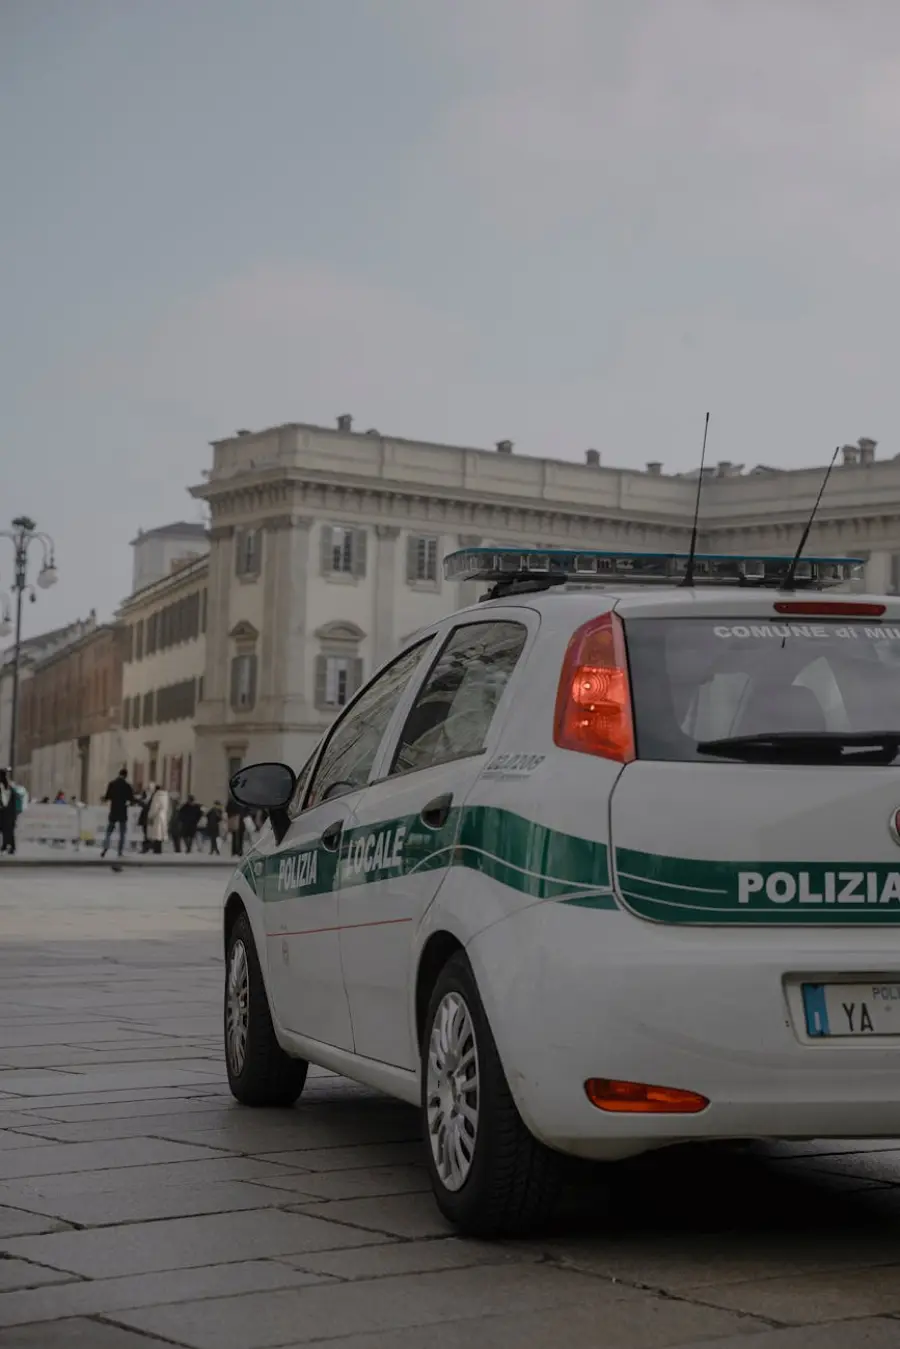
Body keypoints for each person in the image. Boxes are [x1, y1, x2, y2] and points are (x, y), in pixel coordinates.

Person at [100, 767, 134, 859]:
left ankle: (105, 848)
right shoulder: (127, 786)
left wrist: (103, 798)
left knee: (109, 831)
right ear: (126, 775)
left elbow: (107, 797)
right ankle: (120, 851)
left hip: (113, 810)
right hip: (122, 811)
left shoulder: (112, 784)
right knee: (122, 833)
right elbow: (131, 799)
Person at [145, 783, 170, 855]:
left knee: (156, 835)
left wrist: (150, 816)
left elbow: (154, 807)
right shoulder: (165, 796)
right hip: (163, 816)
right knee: (160, 834)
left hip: (157, 817)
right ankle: (159, 849)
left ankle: (157, 850)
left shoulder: (157, 796)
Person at [0, 769, 20, 856]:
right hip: (8, 811)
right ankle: (8, 846)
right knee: (7, 830)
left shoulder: (8, 787)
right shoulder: (10, 787)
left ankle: (9, 846)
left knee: (7, 829)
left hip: (6, 812)